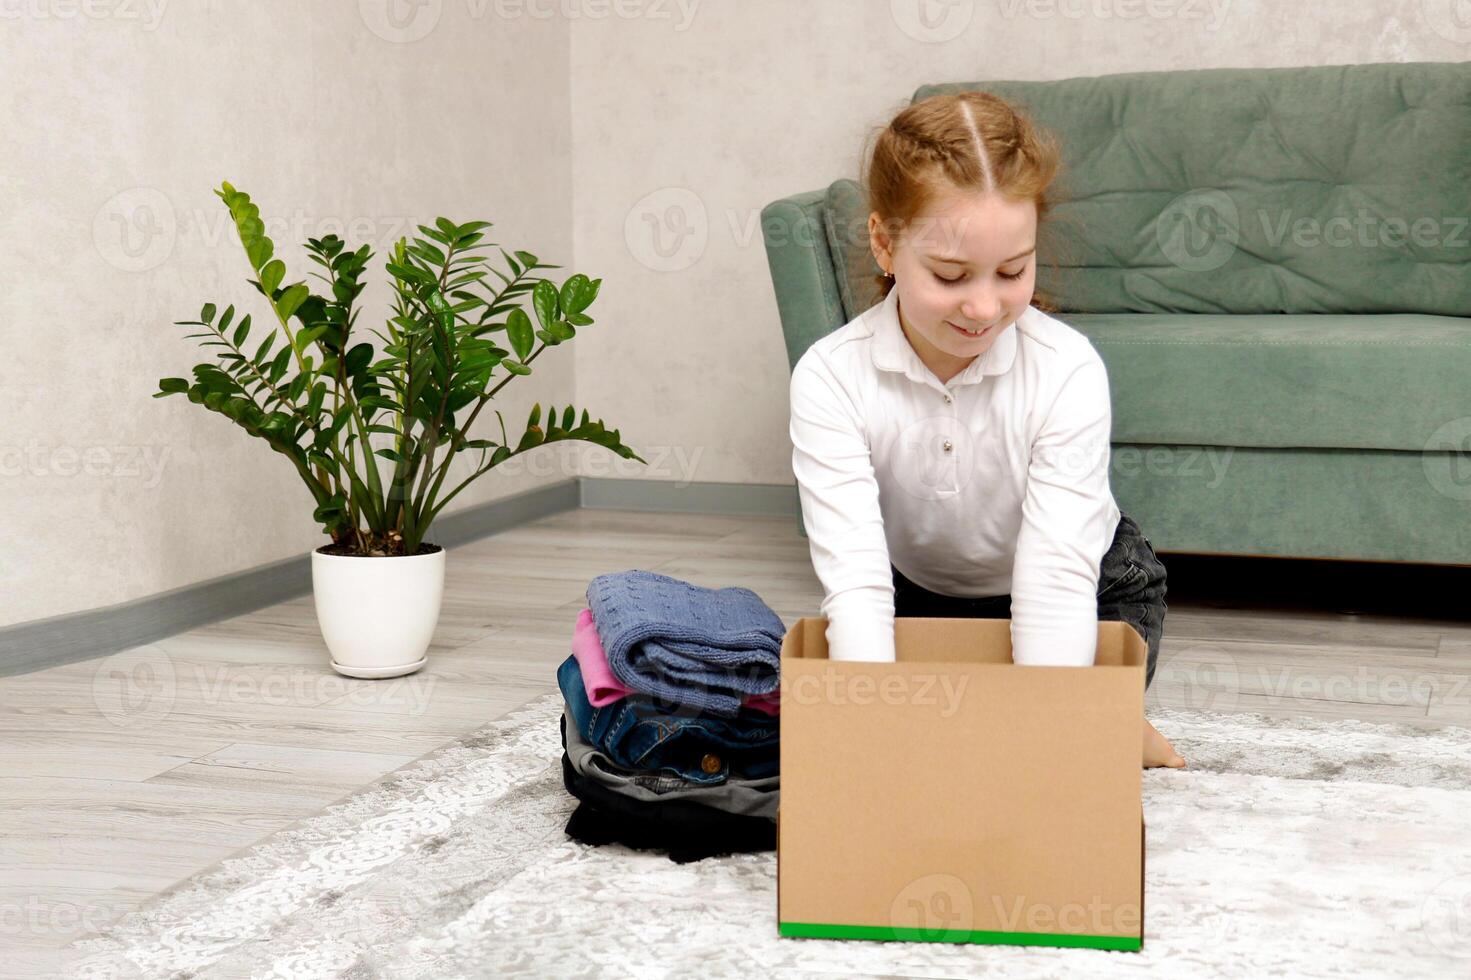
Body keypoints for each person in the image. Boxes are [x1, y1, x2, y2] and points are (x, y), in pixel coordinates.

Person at [788, 91, 1186, 769]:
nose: (982, 307)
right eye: (949, 275)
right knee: (915, 733)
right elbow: (855, 579)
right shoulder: (830, 376)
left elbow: (1057, 577)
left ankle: (1108, 722)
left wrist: (1045, 742)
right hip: (922, 594)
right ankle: (1100, 725)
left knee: (1036, 739)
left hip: (1088, 586)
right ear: (884, 244)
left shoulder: (1065, 369)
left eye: (1012, 272)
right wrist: (875, 736)